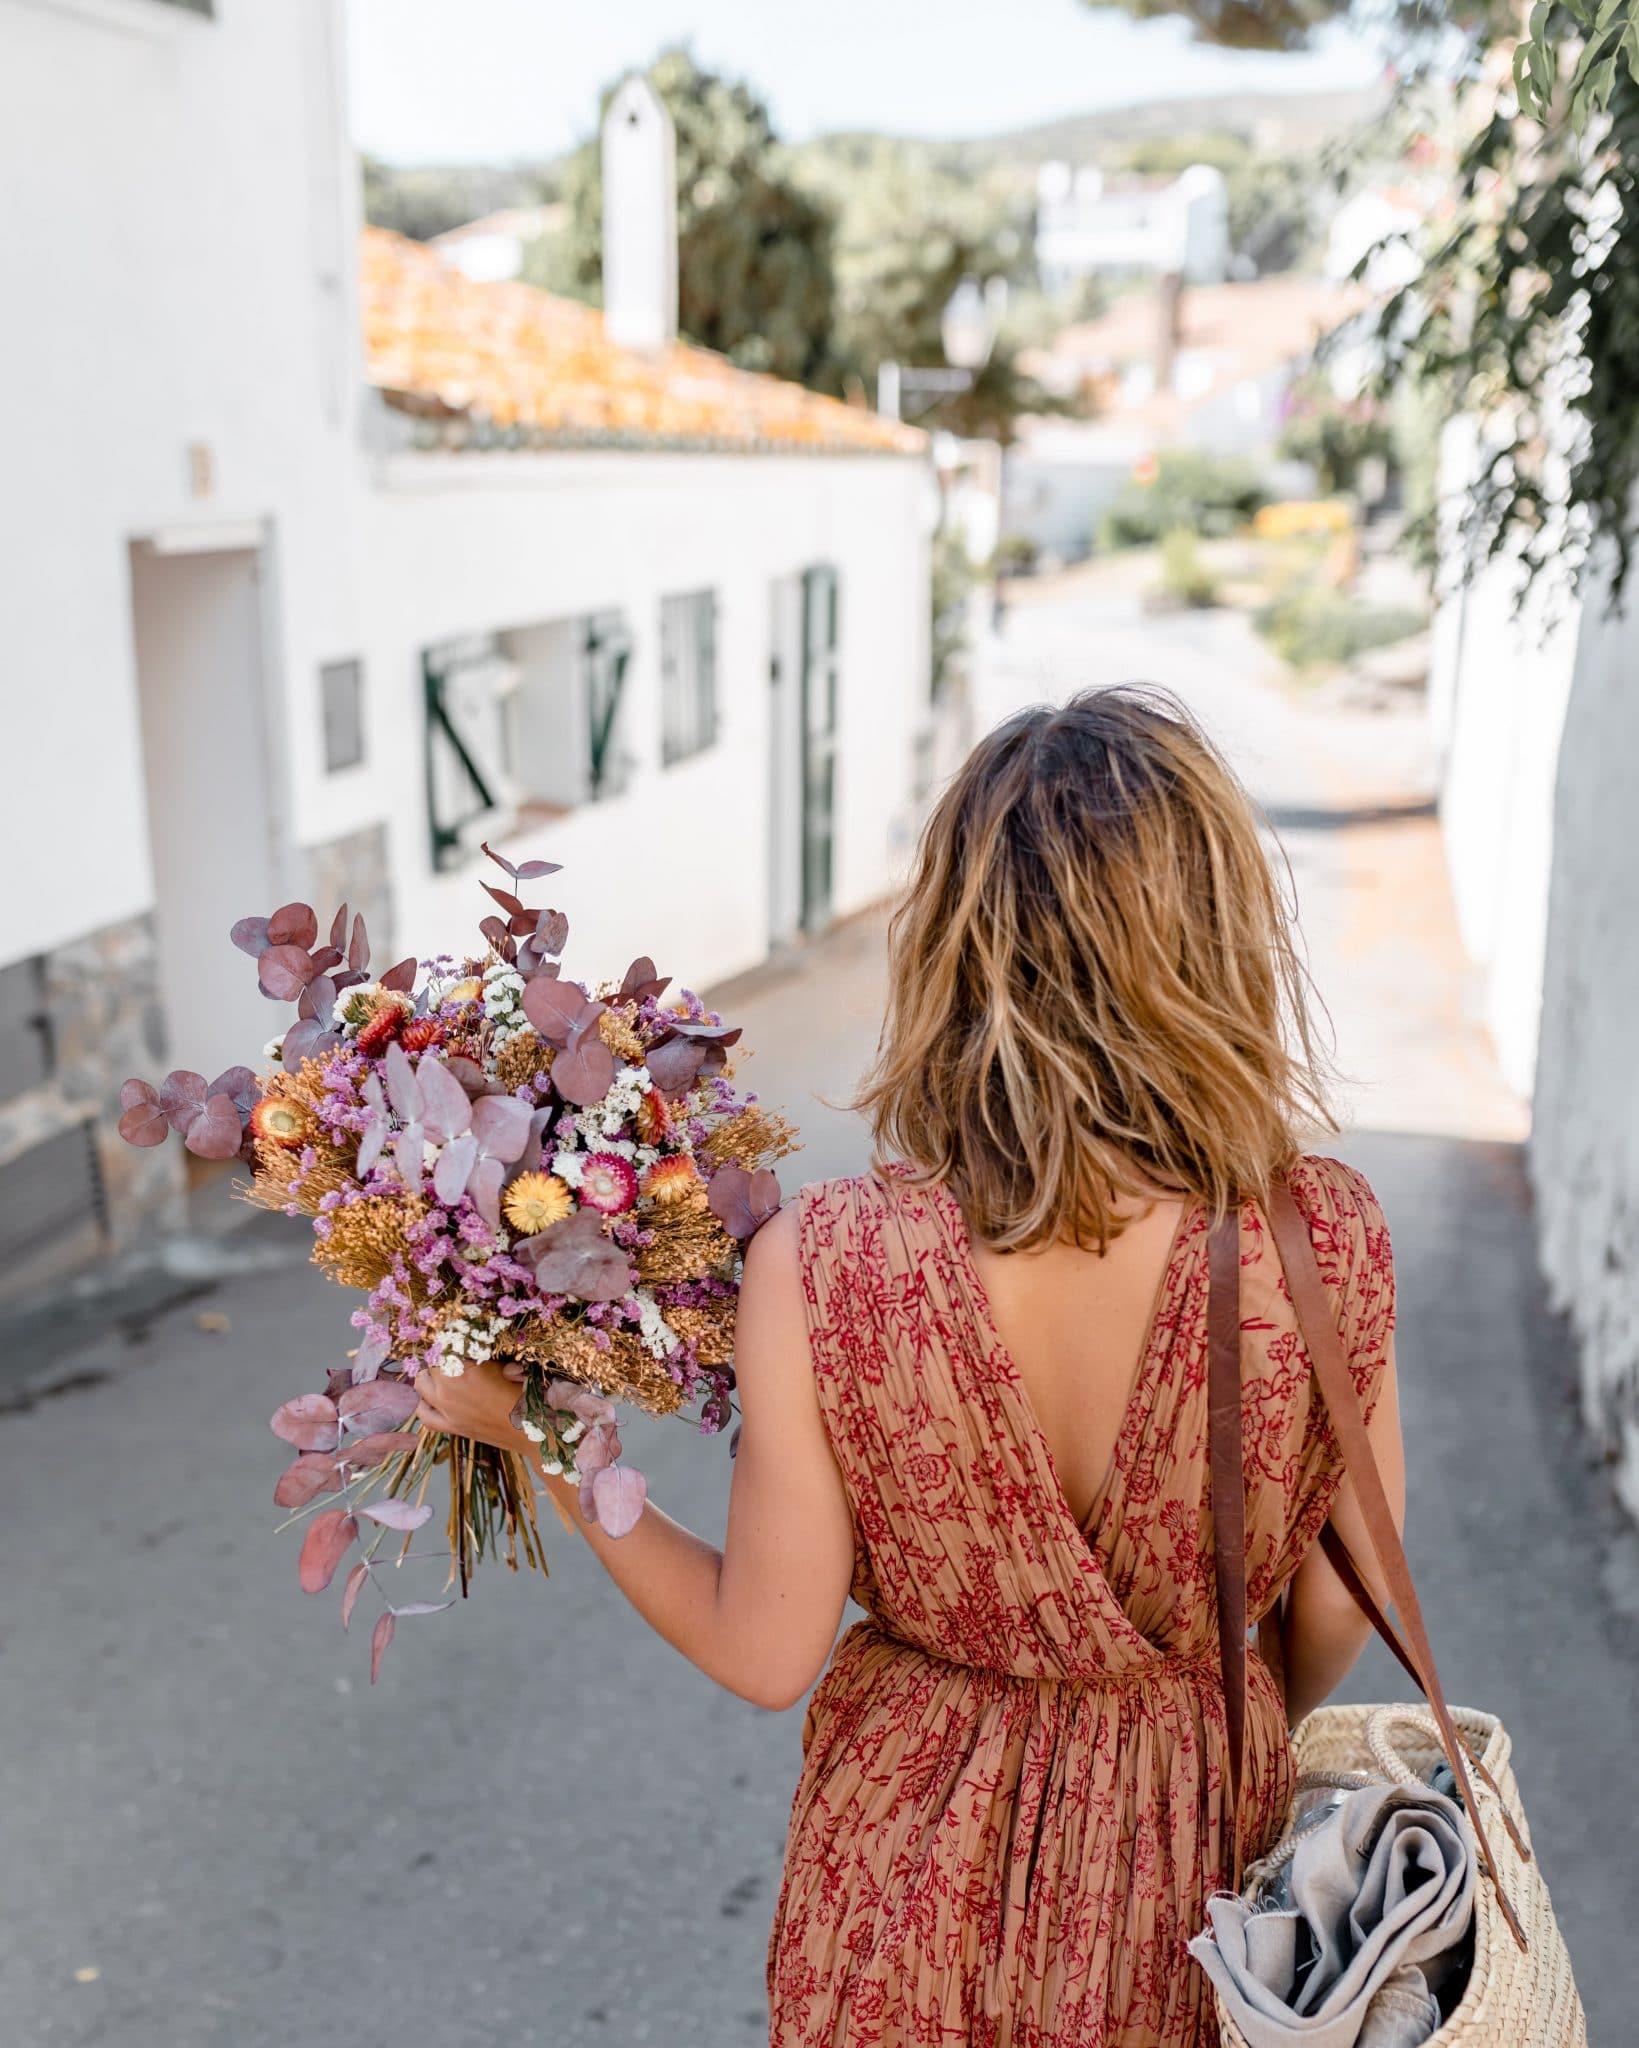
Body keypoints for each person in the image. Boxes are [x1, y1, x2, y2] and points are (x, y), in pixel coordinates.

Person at [416, 684, 1406, 2047]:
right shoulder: (1323, 1237)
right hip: (1195, 1845)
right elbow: (1350, 1595)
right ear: (1221, 935)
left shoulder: (825, 1262)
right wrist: (1195, 1713)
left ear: (951, 944)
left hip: (904, 1864)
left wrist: (544, 1442)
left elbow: (767, 1653)